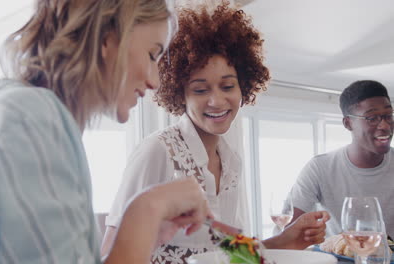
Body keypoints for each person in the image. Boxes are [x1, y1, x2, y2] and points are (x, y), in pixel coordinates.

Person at [0, 1, 213, 264]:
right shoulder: (29, 121)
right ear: (107, 35)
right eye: (152, 55)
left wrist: (148, 233)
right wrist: (149, 207)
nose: (154, 80)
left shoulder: (22, 114)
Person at [101, 3, 330, 264]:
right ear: (180, 94)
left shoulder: (231, 161)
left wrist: (287, 240)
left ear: (243, 86)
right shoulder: (158, 151)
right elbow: (108, 253)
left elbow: (225, 254)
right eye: (200, 90)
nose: (217, 101)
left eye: (227, 86)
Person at [289, 80, 394, 238]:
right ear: (348, 123)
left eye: (388, 116)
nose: (385, 126)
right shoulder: (320, 168)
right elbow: (290, 229)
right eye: (372, 118)